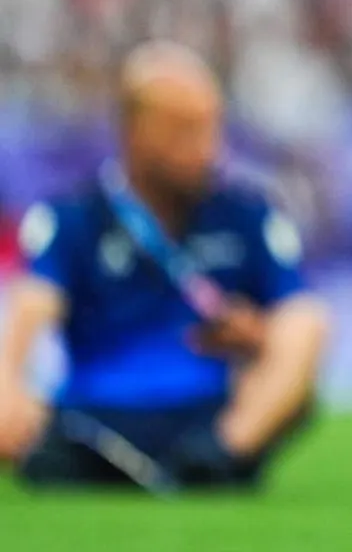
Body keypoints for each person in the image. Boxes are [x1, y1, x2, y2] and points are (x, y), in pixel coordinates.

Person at [0, 42, 331, 490]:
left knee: (309, 322)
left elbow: (298, 320)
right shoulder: (73, 218)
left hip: (214, 412)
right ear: (137, 132)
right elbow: (31, 311)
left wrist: (259, 336)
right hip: (96, 417)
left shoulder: (248, 215)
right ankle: (107, 461)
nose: (209, 150)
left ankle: (218, 456)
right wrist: (8, 390)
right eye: (187, 132)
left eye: (213, 130)